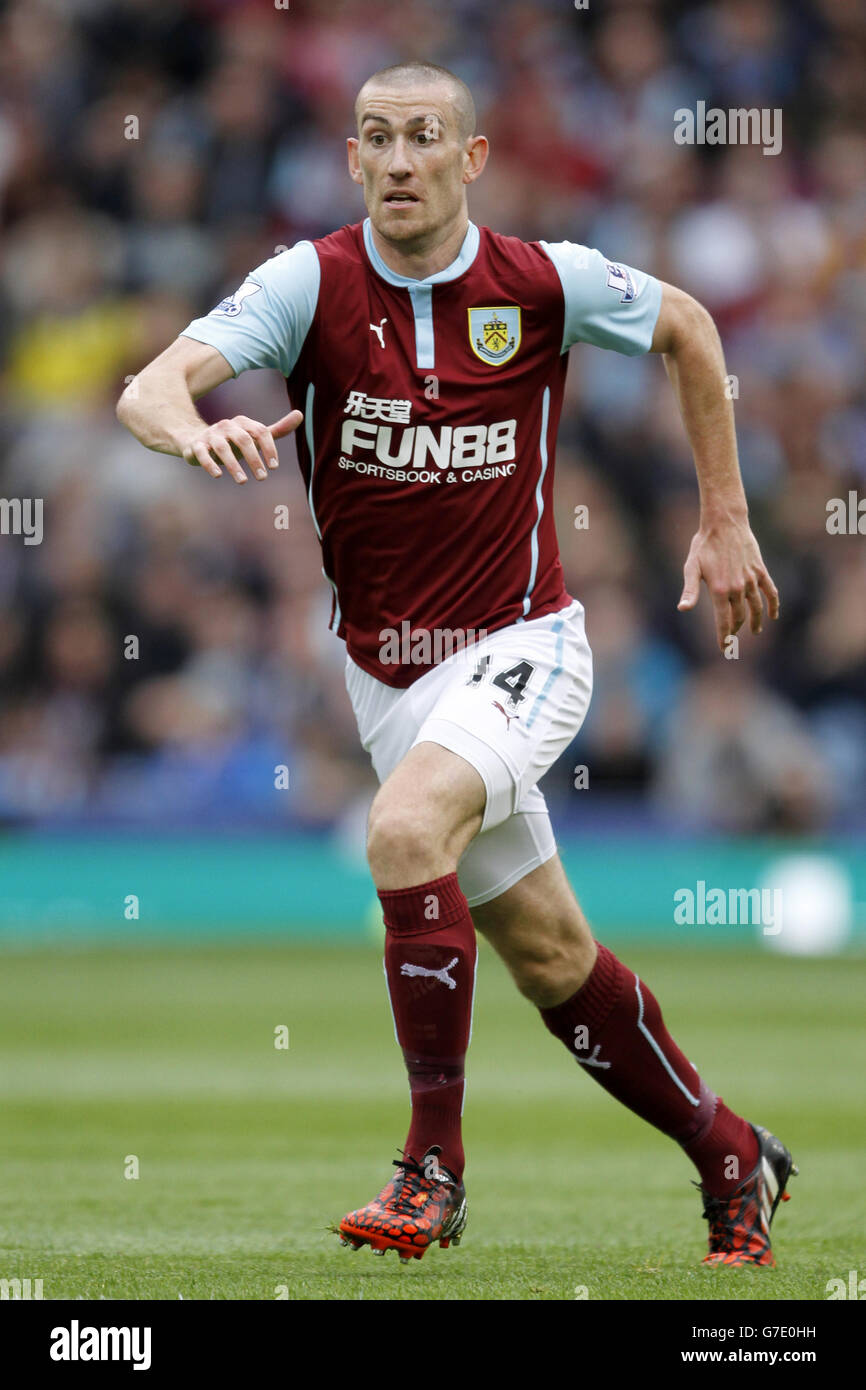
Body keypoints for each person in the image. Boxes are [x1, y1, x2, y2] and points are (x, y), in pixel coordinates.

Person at [117, 60, 796, 1267]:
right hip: (388, 678)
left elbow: (688, 326)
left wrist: (724, 514)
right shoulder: (307, 283)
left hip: (523, 644)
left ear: (468, 160)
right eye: (373, 138)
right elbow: (150, 389)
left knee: (400, 830)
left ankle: (432, 1166)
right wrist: (196, 428)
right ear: (349, 159)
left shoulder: (536, 280)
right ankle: (730, 1152)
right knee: (549, 957)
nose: (394, 160)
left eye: (422, 138)